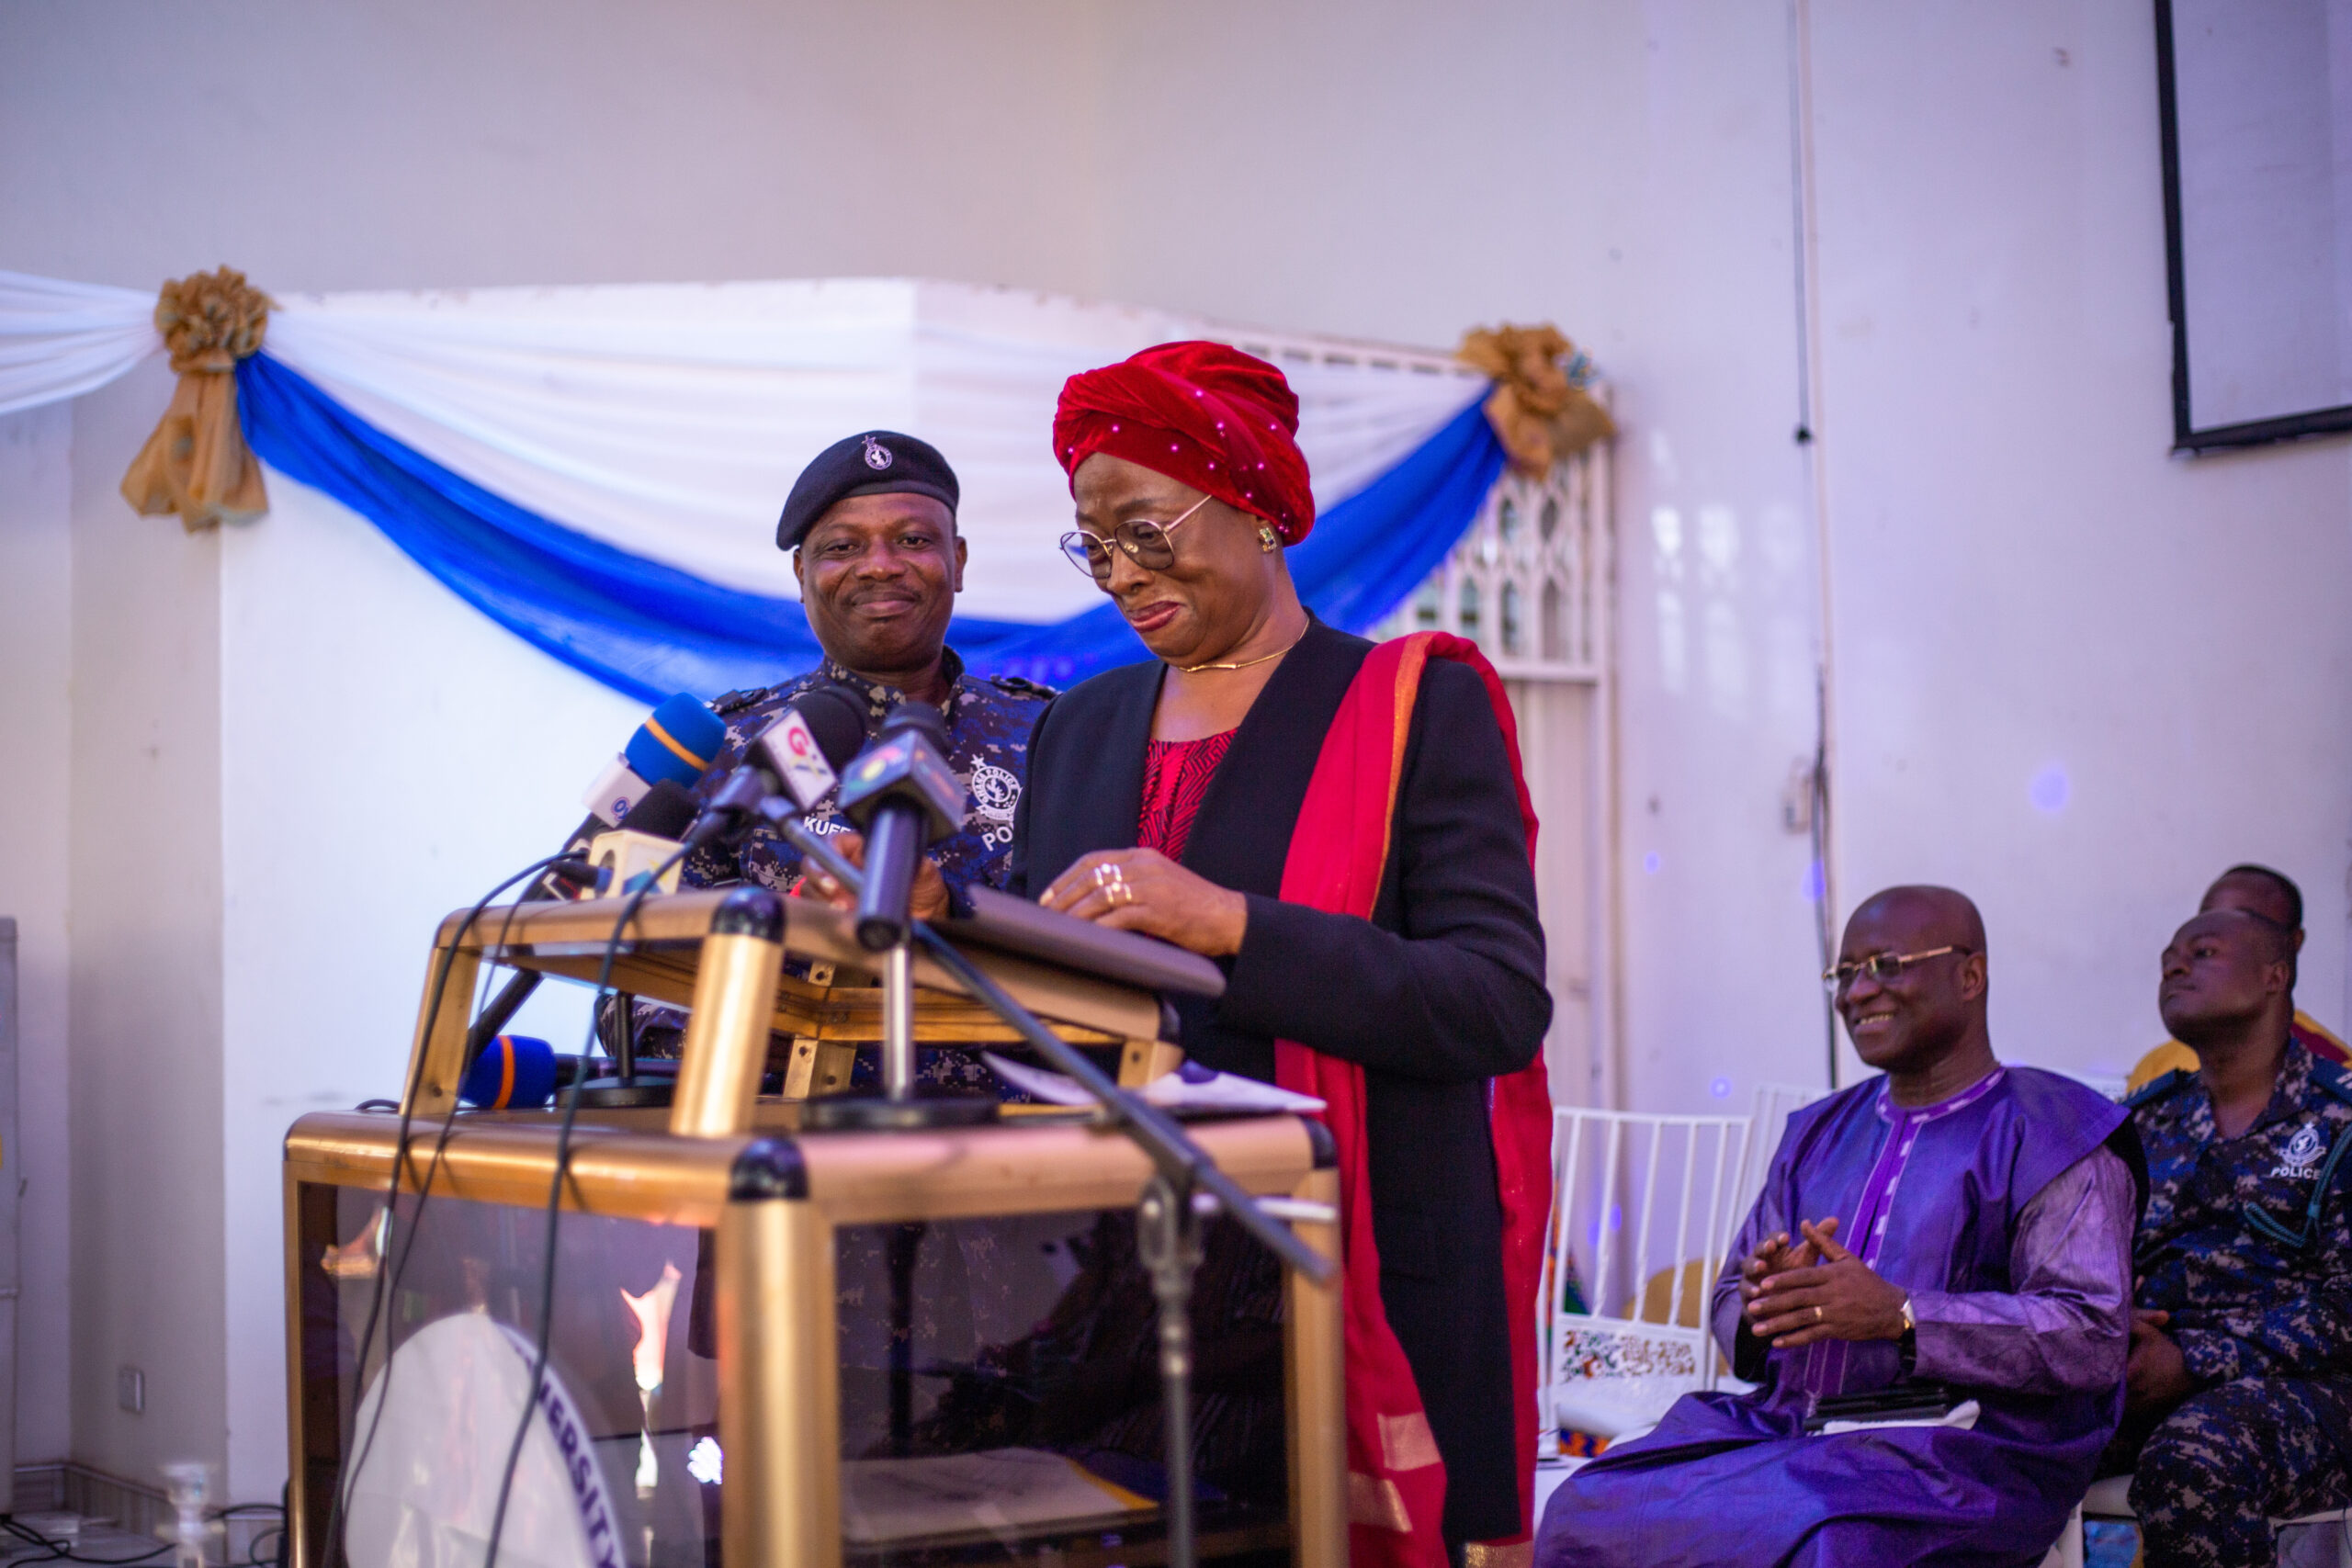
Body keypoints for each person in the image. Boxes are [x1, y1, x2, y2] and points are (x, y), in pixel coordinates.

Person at [1011, 341, 1555, 1565]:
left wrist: (1229, 923)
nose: (1122, 574)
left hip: (1348, 1273)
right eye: (1094, 546)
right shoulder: (1079, 727)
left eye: (1146, 531)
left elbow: (1494, 1001)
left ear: (1254, 505)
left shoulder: (1412, 706)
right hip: (1113, 1288)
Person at [1538, 886, 2141, 1568]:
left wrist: (1903, 1316)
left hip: (1967, 1451)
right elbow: (1731, 1295)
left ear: (1970, 975)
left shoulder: (2055, 1131)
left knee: (1821, 1540)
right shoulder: (1819, 1131)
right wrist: (1766, 1303)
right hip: (1792, 1424)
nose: (1857, 992)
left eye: (1886, 965)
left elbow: (2090, 1333)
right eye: (1844, 973)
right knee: (1586, 1508)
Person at [635, 430, 1052, 1070]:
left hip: (1021, 1120)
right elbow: (638, 996)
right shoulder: (728, 748)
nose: (880, 565)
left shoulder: (1052, 734)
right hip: (780, 1122)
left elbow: (1101, 952)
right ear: (802, 574)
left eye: (913, 540)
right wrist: (785, 980)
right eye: (842, 547)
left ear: (959, 560)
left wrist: (956, 920)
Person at [2102, 907, 2352, 1567]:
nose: (2175, 967)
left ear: (2275, 974)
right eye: (2168, 959)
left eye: (2203, 952)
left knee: (2193, 1461)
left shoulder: (2340, 1117)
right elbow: (2091, 1263)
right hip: (2145, 1377)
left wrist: (2194, 1359)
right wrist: (2111, 1323)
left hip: (2316, 1389)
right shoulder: (2139, 1124)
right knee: (1982, 1442)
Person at [2136, 866, 2350, 1087]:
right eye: (2207, 918)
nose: (2177, 968)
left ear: (2293, 941)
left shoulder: (2337, 1068)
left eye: (2245, 918)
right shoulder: (2156, 1069)